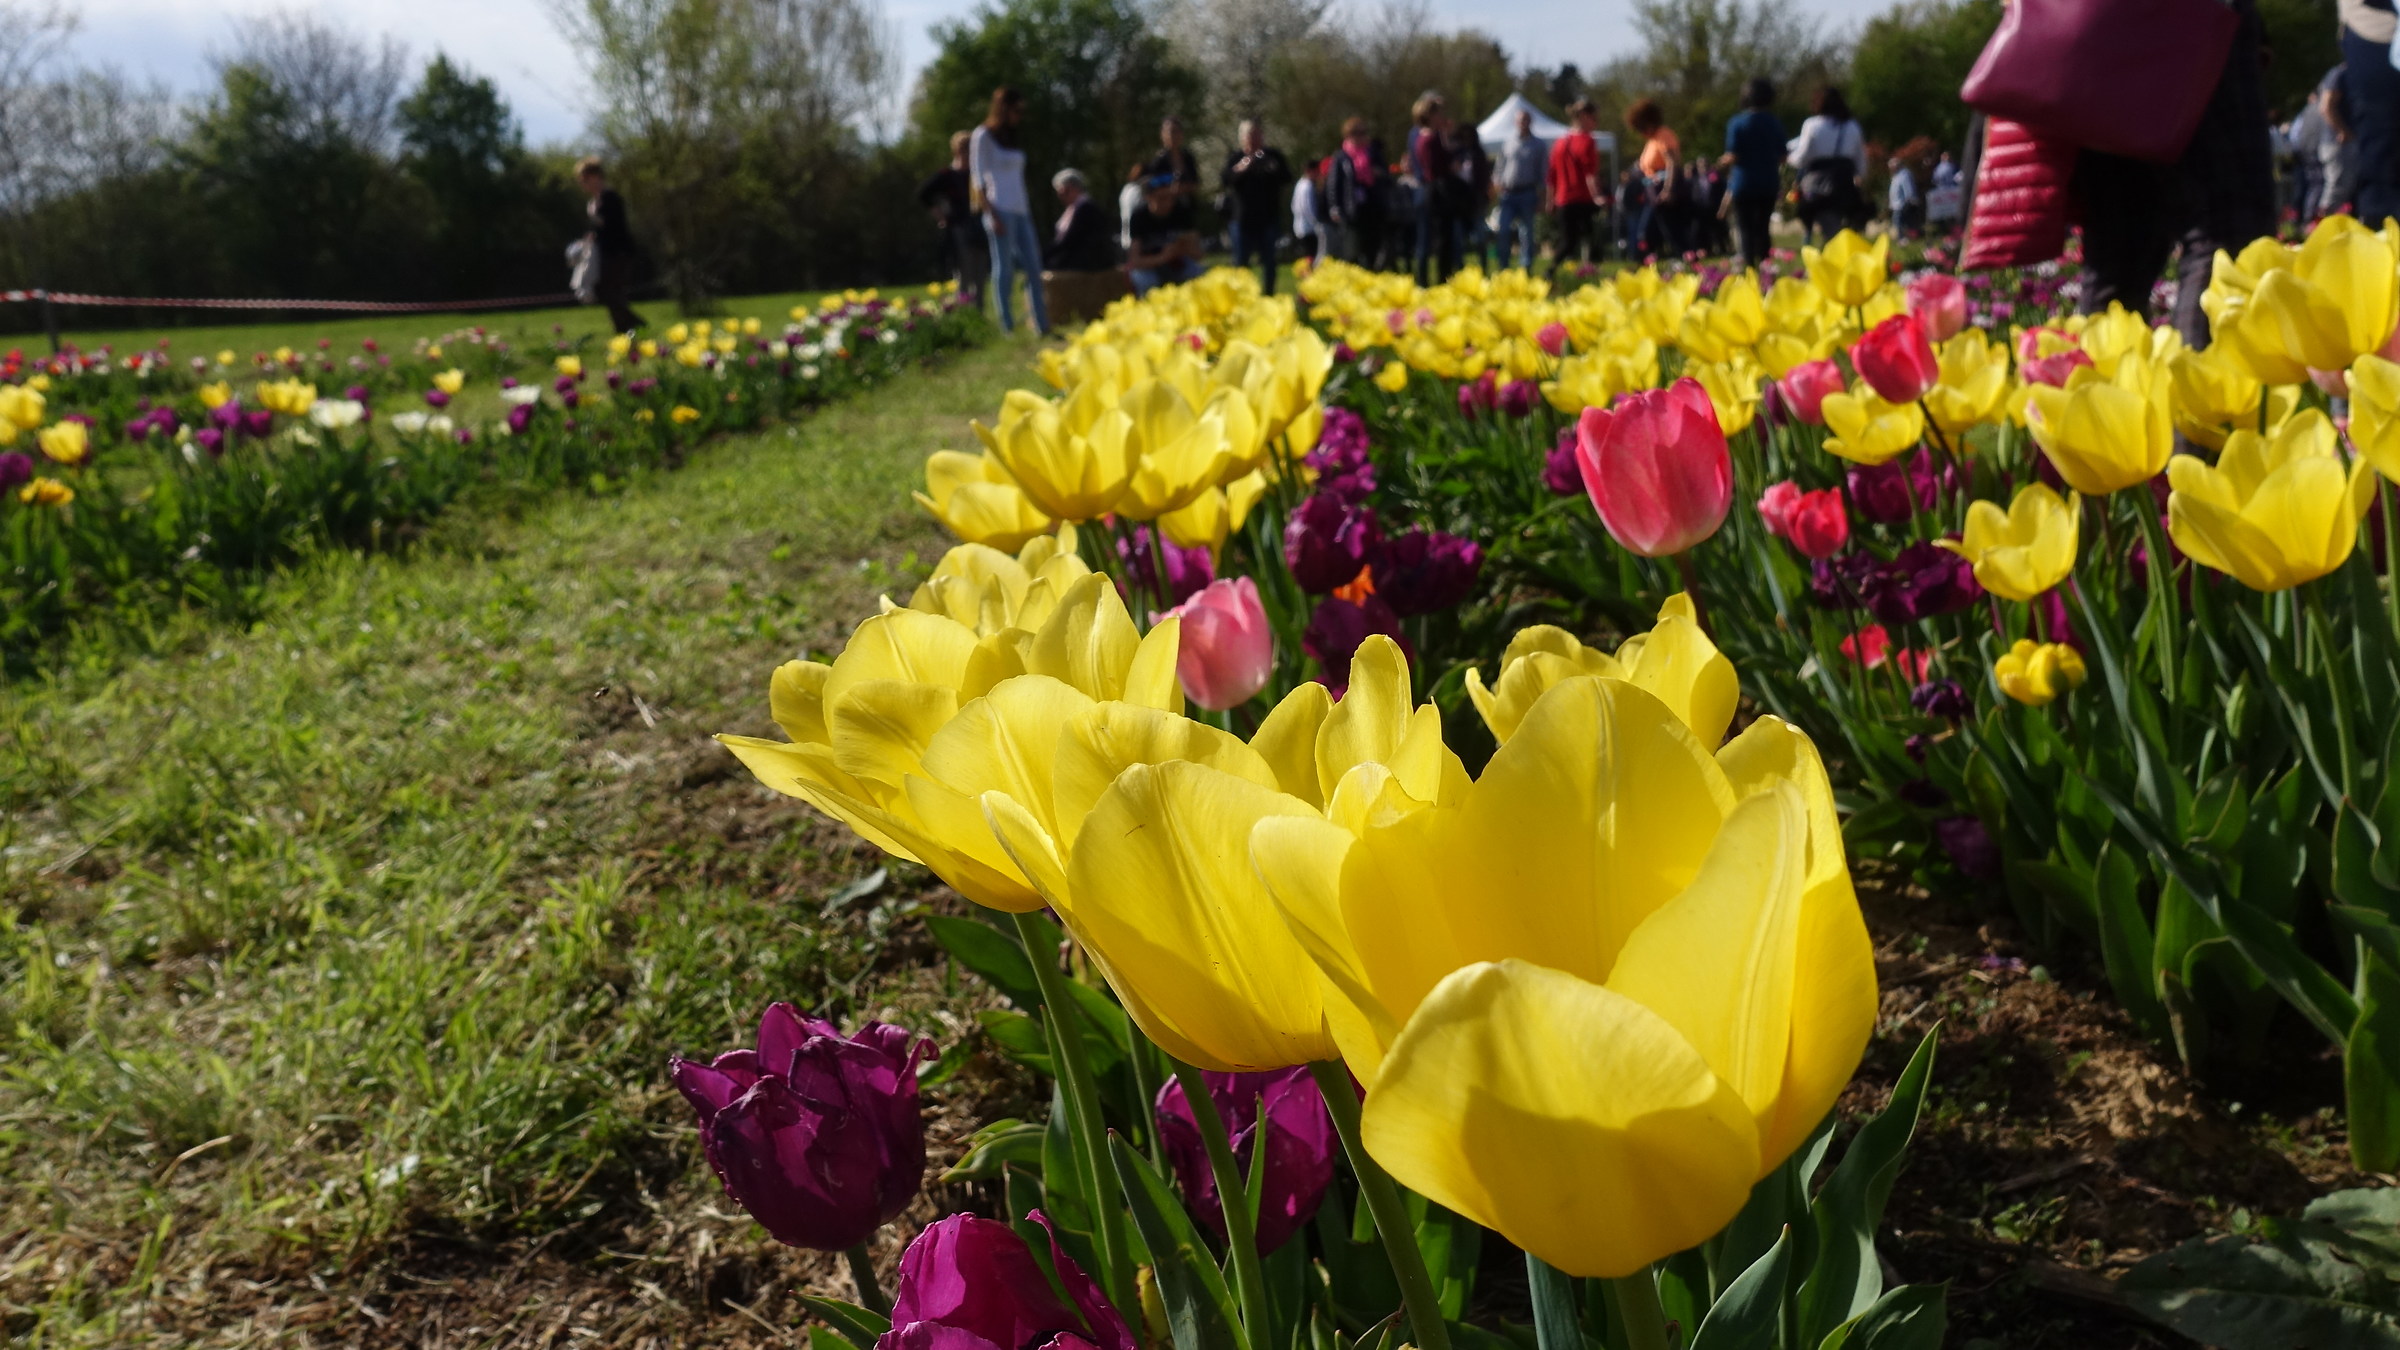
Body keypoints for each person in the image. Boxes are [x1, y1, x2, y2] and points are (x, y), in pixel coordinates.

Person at [2073, 0, 2273, 347]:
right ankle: (2197, 394)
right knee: (2225, 229)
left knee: (2121, 248)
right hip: (2195, 19)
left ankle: (2094, 393)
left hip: (2094, 29)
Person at [971, 86, 1050, 335]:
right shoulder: (983, 135)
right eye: (1016, 110)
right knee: (1004, 268)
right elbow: (977, 179)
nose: (1019, 115)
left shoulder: (1013, 137)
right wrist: (990, 213)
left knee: (1034, 266)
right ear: (1003, 108)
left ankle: (1041, 325)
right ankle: (1007, 326)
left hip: (1021, 209)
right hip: (999, 209)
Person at [1788, 87, 1869, 242]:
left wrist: (1788, 158)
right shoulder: (1852, 126)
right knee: (1836, 219)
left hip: (1817, 182)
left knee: (1815, 213)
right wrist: (1860, 178)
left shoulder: (1812, 125)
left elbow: (1801, 158)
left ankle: (1815, 237)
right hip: (1843, 181)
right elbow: (1861, 159)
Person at [1719, 78, 1785, 266]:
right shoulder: (1774, 122)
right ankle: (1766, 263)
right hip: (1768, 181)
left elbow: (1733, 155)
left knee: (1745, 226)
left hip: (1744, 182)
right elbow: (1782, 156)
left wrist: (1722, 162)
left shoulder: (1737, 123)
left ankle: (1749, 265)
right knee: (1763, 227)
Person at [1221, 121, 1293, 293]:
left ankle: (1269, 294)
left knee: (1269, 261)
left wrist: (1271, 167)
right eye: (1249, 135)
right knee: (1241, 262)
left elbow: (1286, 177)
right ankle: (1241, 296)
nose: (1254, 139)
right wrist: (1241, 169)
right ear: (1242, 138)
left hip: (1268, 218)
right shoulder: (1235, 158)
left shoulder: (1273, 156)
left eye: (1257, 134)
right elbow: (1225, 179)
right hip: (1242, 220)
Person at [918, 132, 989, 304]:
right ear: (956, 151)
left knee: (980, 274)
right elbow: (923, 194)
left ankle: (978, 315)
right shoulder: (947, 175)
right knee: (964, 272)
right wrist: (940, 216)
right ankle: (963, 312)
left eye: (970, 149)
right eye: (964, 149)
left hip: (979, 227)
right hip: (958, 228)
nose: (968, 153)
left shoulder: (977, 175)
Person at [576, 158, 643, 334]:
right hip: (606, 253)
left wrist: (593, 215)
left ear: (595, 177)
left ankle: (631, 327)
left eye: (584, 179)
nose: (583, 184)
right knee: (608, 293)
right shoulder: (596, 200)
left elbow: (613, 226)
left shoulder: (610, 197)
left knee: (613, 293)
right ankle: (626, 329)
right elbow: (600, 230)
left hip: (617, 253)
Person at [1407, 93, 1462, 283]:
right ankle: (1439, 278)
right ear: (1430, 116)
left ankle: (1424, 279)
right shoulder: (1431, 139)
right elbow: (1442, 165)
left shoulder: (1418, 136)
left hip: (1426, 190)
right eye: (1439, 113)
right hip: (1436, 192)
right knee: (1441, 239)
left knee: (1426, 239)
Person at [1548, 98, 1605, 273]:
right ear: (1582, 117)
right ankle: (1589, 270)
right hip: (1582, 198)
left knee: (1568, 241)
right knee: (1592, 237)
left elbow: (1552, 175)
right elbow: (1590, 174)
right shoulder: (1587, 141)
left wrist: (1550, 200)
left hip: (1563, 199)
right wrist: (1597, 196)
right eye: (1593, 118)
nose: (1595, 123)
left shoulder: (1560, 142)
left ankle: (1552, 269)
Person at [1126, 175, 1205, 294]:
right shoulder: (1139, 217)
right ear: (1148, 197)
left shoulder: (1181, 212)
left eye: (1171, 198)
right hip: (1149, 266)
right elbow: (1135, 260)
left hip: (1178, 262)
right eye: (1161, 198)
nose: (1168, 203)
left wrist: (1182, 249)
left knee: (1197, 272)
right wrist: (1163, 256)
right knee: (1145, 280)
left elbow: (1199, 254)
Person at [1326, 118, 1387, 268]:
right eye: (1356, 133)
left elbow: (1386, 176)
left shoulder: (1374, 154)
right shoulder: (1341, 157)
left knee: (1372, 249)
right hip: (1352, 210)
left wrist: (1378, 173)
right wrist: (1335, 207)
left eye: (1363, 133)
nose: (1361, 137)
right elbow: (1334, 185)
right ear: (1348, 135)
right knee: (1353, 250)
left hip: (1373, 208)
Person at [1626, 98, 1682, 257]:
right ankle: (1656, 261)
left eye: (1641, 127)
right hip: (1652, 191)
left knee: (1665, 229)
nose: (1641, 133)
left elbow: (1672, 163)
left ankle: (1684, 257)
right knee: (1653, 230)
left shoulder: (1663, 135)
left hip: (1663, 189)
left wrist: (1668, 190)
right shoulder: (1652, 140)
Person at [1494, 108, 1546, 270]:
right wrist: (1497, 184)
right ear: (1516, 123)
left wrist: (1542, 198)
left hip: (1527, 193)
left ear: (1530, 122)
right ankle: (1504, 266)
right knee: (1503, 230)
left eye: (1525, 120)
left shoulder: (1538, 145)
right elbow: (1499, 167)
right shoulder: (1508, 143)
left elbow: (1543, 173)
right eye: (1520, 120)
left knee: (1526, 233)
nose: (1523, 123)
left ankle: (1526, 267)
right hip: (1508, 194)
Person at [1045, 170, 1116, 272]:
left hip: (1090, 262)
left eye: (1063, 191)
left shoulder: (1085, 209)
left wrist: (1045, 254)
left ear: (1073, 188)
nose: (1060, 195)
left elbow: (1069, 240)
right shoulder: (1078, 208)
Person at [1146, 116, 1204, 229]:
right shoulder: (1159, 162)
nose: (1173, 136)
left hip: (1187, 210)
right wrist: (1171, 191)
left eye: (1176, 131)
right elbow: (1151, 190)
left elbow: (1195, 182)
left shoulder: (1188, 157)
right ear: (1162, 135)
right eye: (1170, 132)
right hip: (1166, 213)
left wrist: (1183, 188)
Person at [2321, 63, 2362, 219]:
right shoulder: (2339, 73)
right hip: (2340, 143)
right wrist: (2342, 130)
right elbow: (2326, 106)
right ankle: (2320, 226)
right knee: (2338, 186)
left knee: (2352, 187)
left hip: (2349, 141)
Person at [1291, 158, 1326, 265]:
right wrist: (1316, 222)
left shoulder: (1300, 184)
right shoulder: (1308, 186)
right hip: (1309, 227)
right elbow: (1308, 207)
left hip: (1300, 225)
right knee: (1311, 254)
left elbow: (1293, 205)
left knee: (1307, 254)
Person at [1888, 156, 1923, 237]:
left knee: (1900, 222)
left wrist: (1910, 200)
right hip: (1896, 204)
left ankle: (1903, 237)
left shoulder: (1904, 175)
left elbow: (1908, 189)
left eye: (1892, 167)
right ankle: (1903, 237)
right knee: (1899, 221)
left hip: (1902, 203)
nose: (1891, 169)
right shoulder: (1895, 176)